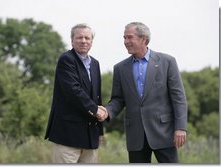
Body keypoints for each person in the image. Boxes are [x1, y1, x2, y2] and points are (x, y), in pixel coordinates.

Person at [99, 22, 188, 163]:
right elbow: (118, 99)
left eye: (129, 37)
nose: (126, 42)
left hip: (164, 133)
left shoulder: (167, 62)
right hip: (136, 135)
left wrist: (181, 127)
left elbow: (179, 98)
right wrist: (107, 111)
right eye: (124, 38)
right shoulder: (120, 68)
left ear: (143, 39)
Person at [45, 23, 107, 163]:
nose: (83, 41)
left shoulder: (95, 64)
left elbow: (97, 98)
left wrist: (100, 131)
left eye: (87, 38)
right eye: (79, 37)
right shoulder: (66, 60)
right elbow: (73, 91)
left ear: (92, 41)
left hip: (90, 136)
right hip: (67, 135)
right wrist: (95, 110)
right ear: (72, 40)